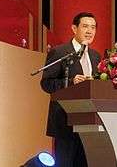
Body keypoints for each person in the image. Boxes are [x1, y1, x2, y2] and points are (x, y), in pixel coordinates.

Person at [40, 12, 101, 167]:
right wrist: (70, 81)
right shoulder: (60, 52)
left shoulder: (95, 56)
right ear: (74, 28)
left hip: (89, 122)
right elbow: (46, 83)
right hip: (65, 122)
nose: (89, 31)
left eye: (93, 27)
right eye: (85, 26)